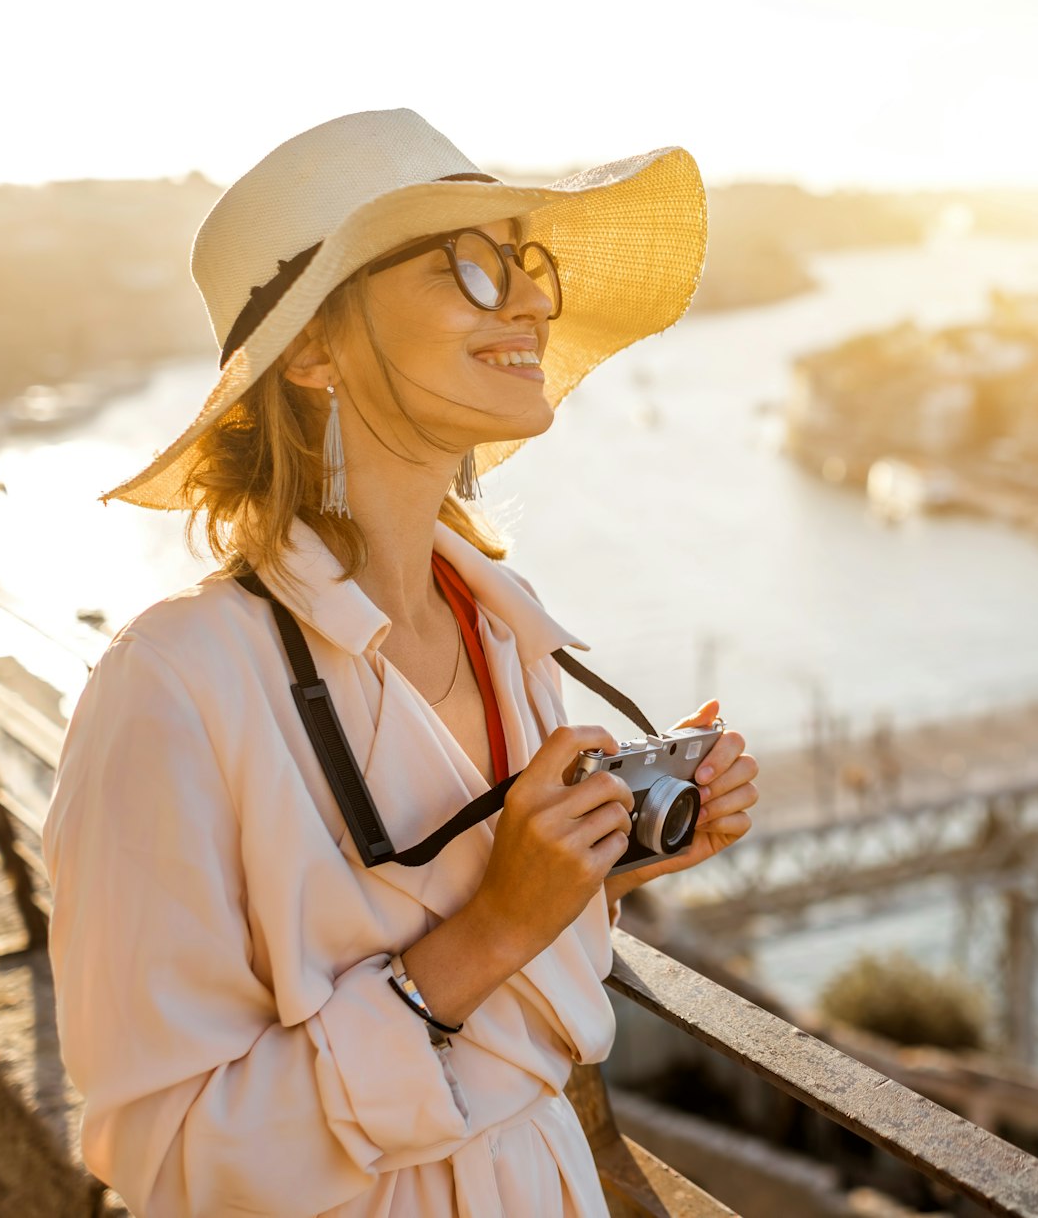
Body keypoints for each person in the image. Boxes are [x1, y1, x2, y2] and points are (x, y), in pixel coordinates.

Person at [43, 109, 760, 1216]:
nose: (529, 298)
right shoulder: (170, 688)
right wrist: (500, 925)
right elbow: (167, 1161)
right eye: (467, 267)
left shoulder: (504, 632)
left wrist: (596, 869)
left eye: (525, 263)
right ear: (315, 349)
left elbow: (472, 957)